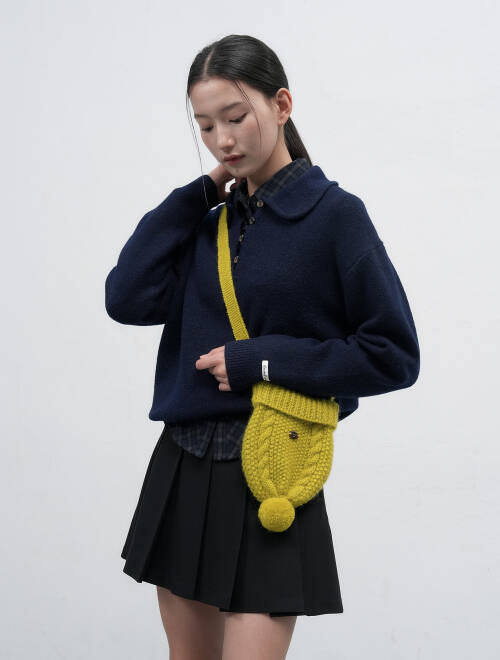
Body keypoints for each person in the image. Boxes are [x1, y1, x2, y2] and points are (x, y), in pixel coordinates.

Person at [104, 34, 420, 660]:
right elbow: (126, 297)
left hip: (274, 469)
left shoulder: (335, 216)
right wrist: (199, 193)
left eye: (236, 117)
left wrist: (261, 361)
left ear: (282, 105)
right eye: (205, 126)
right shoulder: (209, 222)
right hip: (184, 461)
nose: (223, 139)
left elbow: (393, 354)